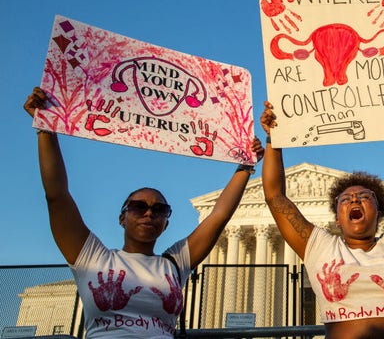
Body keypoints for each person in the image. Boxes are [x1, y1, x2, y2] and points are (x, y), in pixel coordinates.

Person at [24, 86, 264, 338]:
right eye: (139, 207)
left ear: (166, 223)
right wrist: (45, 128)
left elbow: (219, 216)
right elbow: (57, 196)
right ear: (122, 217)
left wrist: (245, 167)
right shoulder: (93, 260)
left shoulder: (174, 264)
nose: (149, 213)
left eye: (159, 209)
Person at [260, 87, 384, 339]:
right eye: (345, 199)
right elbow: (275, 197)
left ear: (380, 212)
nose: (355, 198)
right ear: (337, 219)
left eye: (365, 196)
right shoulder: (321, 248)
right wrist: (273, 139)